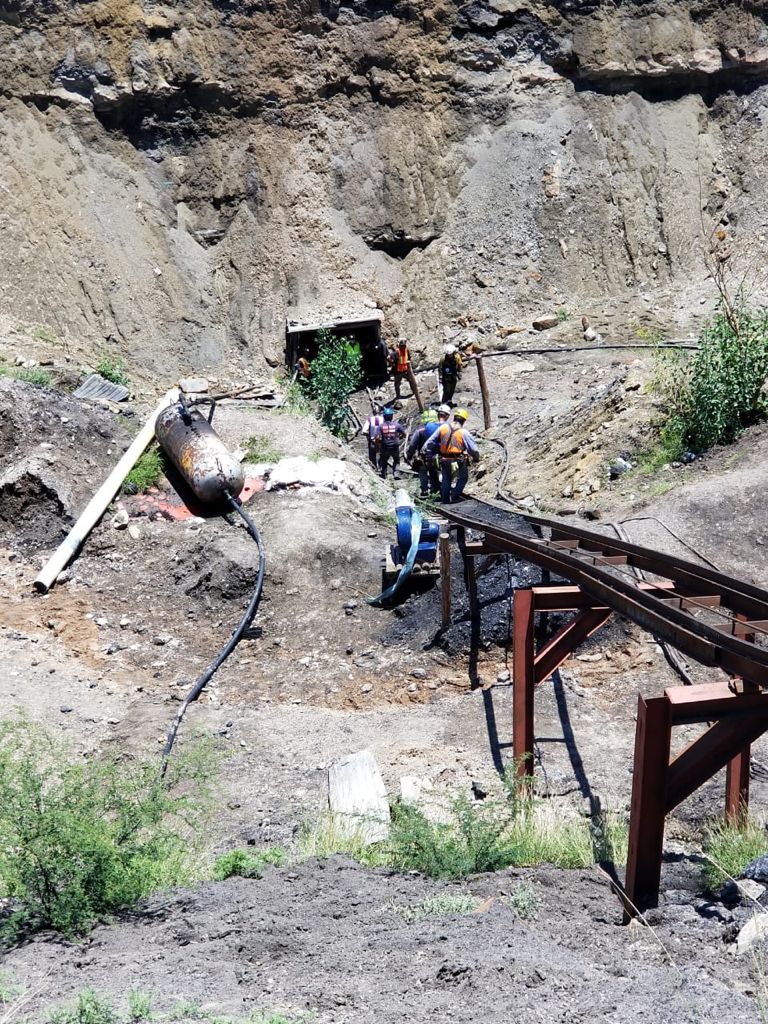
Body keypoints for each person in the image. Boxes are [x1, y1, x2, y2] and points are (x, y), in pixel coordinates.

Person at [423, 407, 479, 504]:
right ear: (464, 421)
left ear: (454, 417)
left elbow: (430, 442)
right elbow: (474, 450)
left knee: (446, 478)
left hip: (444, 458)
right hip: (458, 459)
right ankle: (454, 496)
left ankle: (445, 500)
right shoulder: (464, 432)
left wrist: (427, 453)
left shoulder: (443, 427)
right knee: (463, 477)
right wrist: (476, 458)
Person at [406, 409, 440, 497]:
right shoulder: (440, 429)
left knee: (422, 473)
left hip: (423, 457)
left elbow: (412, 445)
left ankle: (425, 491)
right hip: (436, 456)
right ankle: (435, 491)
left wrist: (409, 455)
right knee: (434, 472)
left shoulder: (420, 430)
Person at [375, 407, 406, 480]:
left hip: (384, 446)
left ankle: (384, 474)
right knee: (396, 460)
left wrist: (377, 446)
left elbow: (377, 438)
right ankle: (396, 474)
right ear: (392, 416)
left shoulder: (380, 426)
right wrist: (401, 437)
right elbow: (404, 434)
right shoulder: (397, 425)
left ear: (384, 417)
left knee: (384, 461)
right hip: (394, 446)